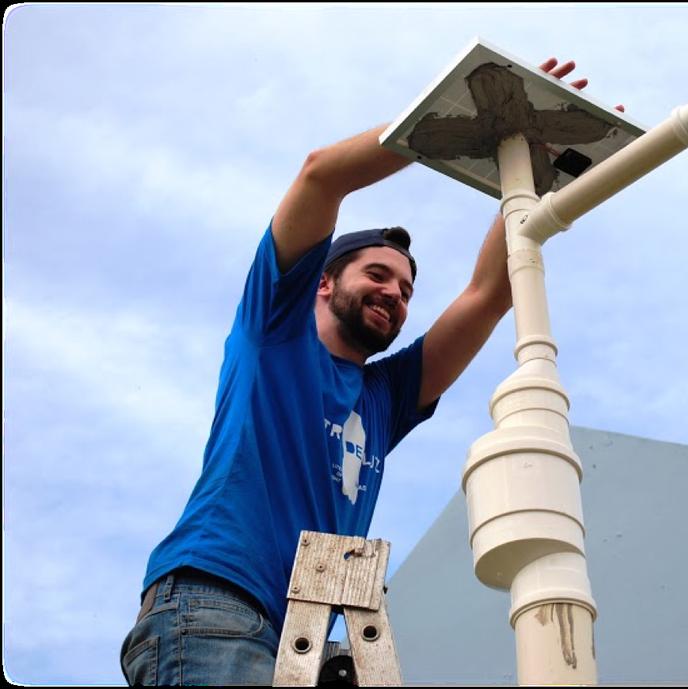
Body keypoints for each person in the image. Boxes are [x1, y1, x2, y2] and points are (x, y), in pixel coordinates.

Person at [119, 56, 615, 686]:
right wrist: (454, 122)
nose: (394, 294)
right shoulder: (275, 331)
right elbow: (321, 176)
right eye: (377, 275)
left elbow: (489, 293)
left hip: (297, 635)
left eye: (406, 290)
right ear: (323, 283)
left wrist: (531, 164)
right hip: (216, 602)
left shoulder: (385, 398)